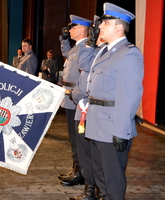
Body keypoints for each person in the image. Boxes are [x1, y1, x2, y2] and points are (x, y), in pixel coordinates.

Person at [85, 3, 144, 200]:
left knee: (113, 180)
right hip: (96, 124)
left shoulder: (129, 53)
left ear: (119, 26)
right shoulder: (103, 51)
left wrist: (121, 130)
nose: (100, 26)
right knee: (101, 175)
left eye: (105, 23)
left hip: (112, 127)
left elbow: (130, 95)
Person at [67, 36, 107, 200]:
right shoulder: (98, 54)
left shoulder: (100, 55)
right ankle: (91, 190)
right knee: (86, 153)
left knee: (90, 155)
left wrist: (74, 94)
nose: (93, 38)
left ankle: (94, 191)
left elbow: (84, 80)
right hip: (84, 110)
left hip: (89, 111)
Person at [58, 15, 92, 187]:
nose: (69, 30)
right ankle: (76, 170)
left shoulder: (86, 48)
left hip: (77, 98)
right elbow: (65, 53)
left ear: (81, 29)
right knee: (73, 137)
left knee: (78, 138)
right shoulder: (76, 48)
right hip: (70, 97)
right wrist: (64, 39)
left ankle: (81, 173)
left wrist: (75, 94)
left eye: (72, 28)